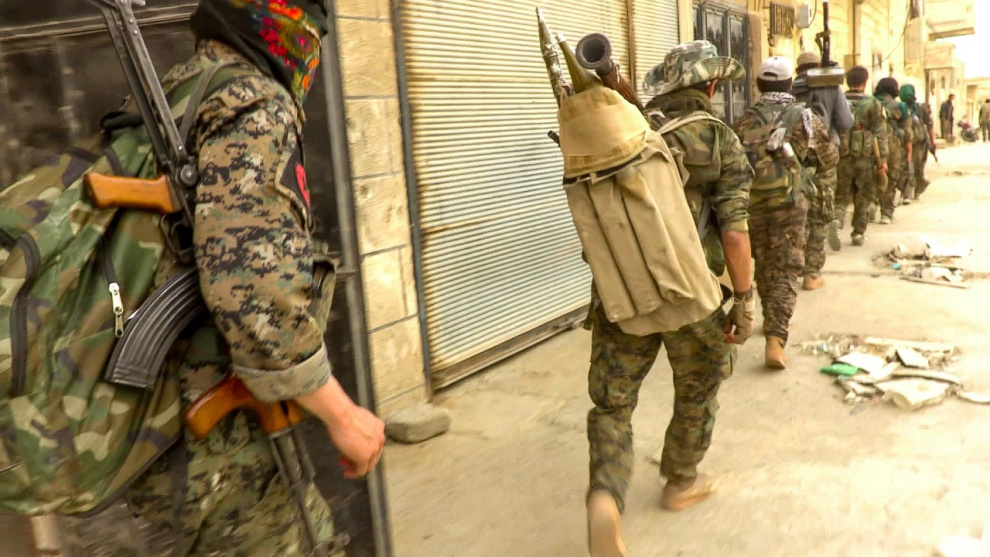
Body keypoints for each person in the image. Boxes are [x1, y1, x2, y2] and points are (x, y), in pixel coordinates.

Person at [119, 1, 387, 554]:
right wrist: (343, 415)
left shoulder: (181, 87)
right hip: (216, 440)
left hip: (157, 423)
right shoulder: (254, 101)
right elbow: (254, 286)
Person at [584, 40, 754, 557]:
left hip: (622, 291)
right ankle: (680, 481)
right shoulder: (719, 139)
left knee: (612, 403)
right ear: (712, 85)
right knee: (698, 388)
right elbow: (735, 235)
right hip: (693, 294)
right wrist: (744, 299)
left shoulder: (627, 129)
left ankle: (605, 497)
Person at [733, 57, 837, 369]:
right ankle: (776, 340)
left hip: (752, 202)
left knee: (764, 263)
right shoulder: (803, 116)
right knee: (786, 267)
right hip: (790, 203)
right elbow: (830, 158)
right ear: (790, 84)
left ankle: (770, 319)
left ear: (758, 85)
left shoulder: (744, 120)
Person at [792, 51, 854, 291]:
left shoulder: (790, 87)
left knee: (796, 213)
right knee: (820, 215)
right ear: (819, 67)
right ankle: (812, 274)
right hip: (824, 160)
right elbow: (846, 122)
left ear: (798, 70)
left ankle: (794, 267)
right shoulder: (832, 87)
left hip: (795, 159)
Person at [835, 66, 888, 246]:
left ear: (847, 81)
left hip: (842, 156)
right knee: (863, 195)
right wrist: (882, 161)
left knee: (840, 195)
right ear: (865, 82)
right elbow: (880, 134)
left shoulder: (839, 100)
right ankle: (858, 233)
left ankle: (837, 221)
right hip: (865, 157)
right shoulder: (873, 103)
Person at [874, 77, 913, 225]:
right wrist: (908, 150)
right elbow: (907, 131)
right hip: (893, 146)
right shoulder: (900, 106)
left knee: (870, 177)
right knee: (891, 179)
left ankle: (870, 207)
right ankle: (886, 213)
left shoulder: (870, 103)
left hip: (871, 144)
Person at [901, 84, 935, 202]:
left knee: (913, 167)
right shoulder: (906, 107)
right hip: (915, 142)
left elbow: (929, 125)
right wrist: (932, 142)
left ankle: (912, 191)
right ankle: (909, 192)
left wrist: (932, 141)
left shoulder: (917, 108)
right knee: (912, 167)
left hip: (916, 143)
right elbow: (930, 126)